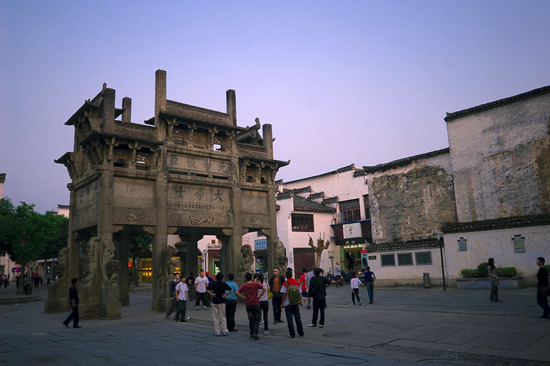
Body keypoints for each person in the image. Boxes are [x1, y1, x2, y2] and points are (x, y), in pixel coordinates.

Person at [237, 272, 265, 340]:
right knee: (257, 318)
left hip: (248, 303)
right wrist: (260, 296)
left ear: (246, 278)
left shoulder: (244, 285)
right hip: (256, 303)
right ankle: (255, 332)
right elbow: (264, 288)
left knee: (251, 319)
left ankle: (252, 332)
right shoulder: (256, 284)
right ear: (251, 277)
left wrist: (243, 297)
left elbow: (237, 292)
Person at [281, 269, 304, 338]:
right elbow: (300, 293)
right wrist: (300, 301)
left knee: (289, 319)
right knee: (298, 318)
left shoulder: (285, 283)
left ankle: (292, 333)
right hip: (295, 302)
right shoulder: (296, 282)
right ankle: (301, 332)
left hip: (288, 303)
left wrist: (282, 303)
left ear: (286, 276)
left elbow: (284, 294)